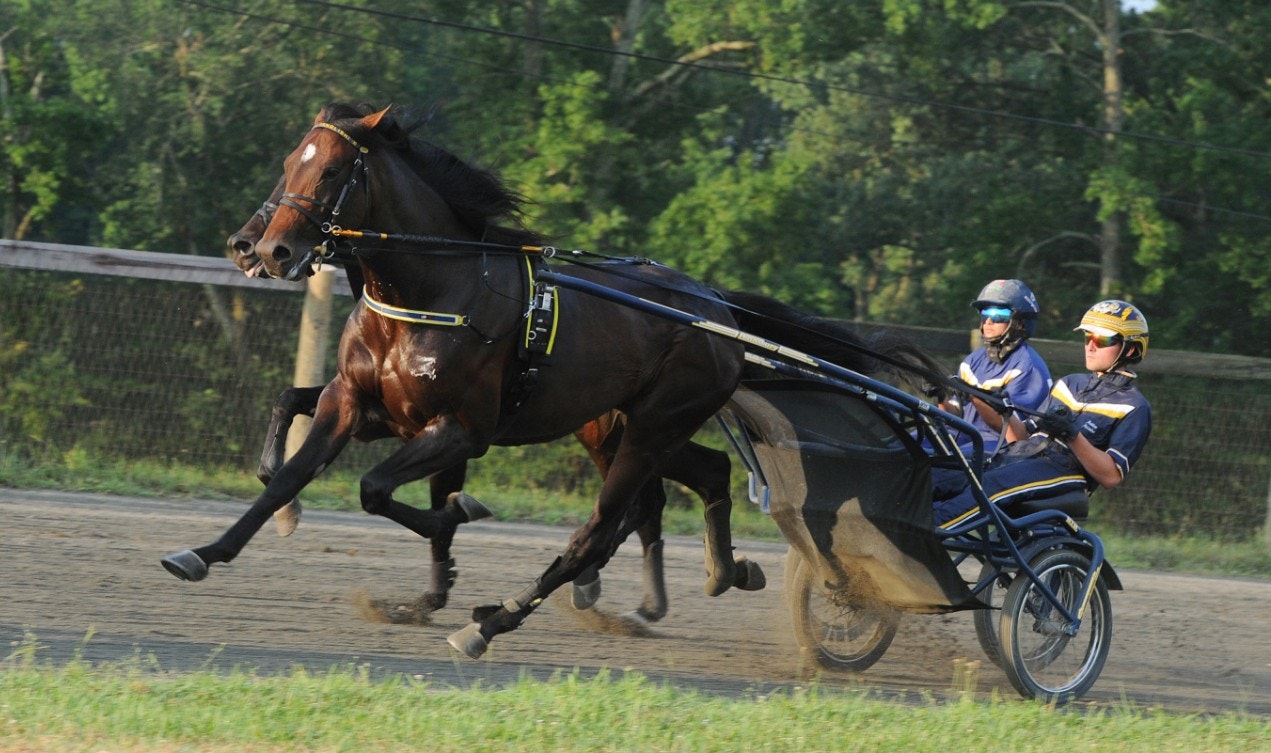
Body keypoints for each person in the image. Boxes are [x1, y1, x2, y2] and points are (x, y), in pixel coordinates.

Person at [933, 299, 1153, 529]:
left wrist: (1071, 435)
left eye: (1102, 339)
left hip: (1065, 473)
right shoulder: (1069, 384)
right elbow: (1020, 438)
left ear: (1129, 348)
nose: (1090, 346)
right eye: (1088, 337)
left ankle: (929, 530)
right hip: (1022, 456)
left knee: (992, 483)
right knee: (949, 469)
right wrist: (1000, 408)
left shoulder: (1134, 406)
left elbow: (1110, 476)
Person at [944, 279, 1052, 457]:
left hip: (1000, 446)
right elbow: (953, 417)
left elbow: (1017, 435)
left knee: (947, 462)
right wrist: (941, 396)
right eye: (985, 313)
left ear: (1020, 322)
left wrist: (974, 395)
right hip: (964, 436)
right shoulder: (972, 361)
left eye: (998, 315)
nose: (988, 321)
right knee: (909, 445)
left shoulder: (1028, 367)